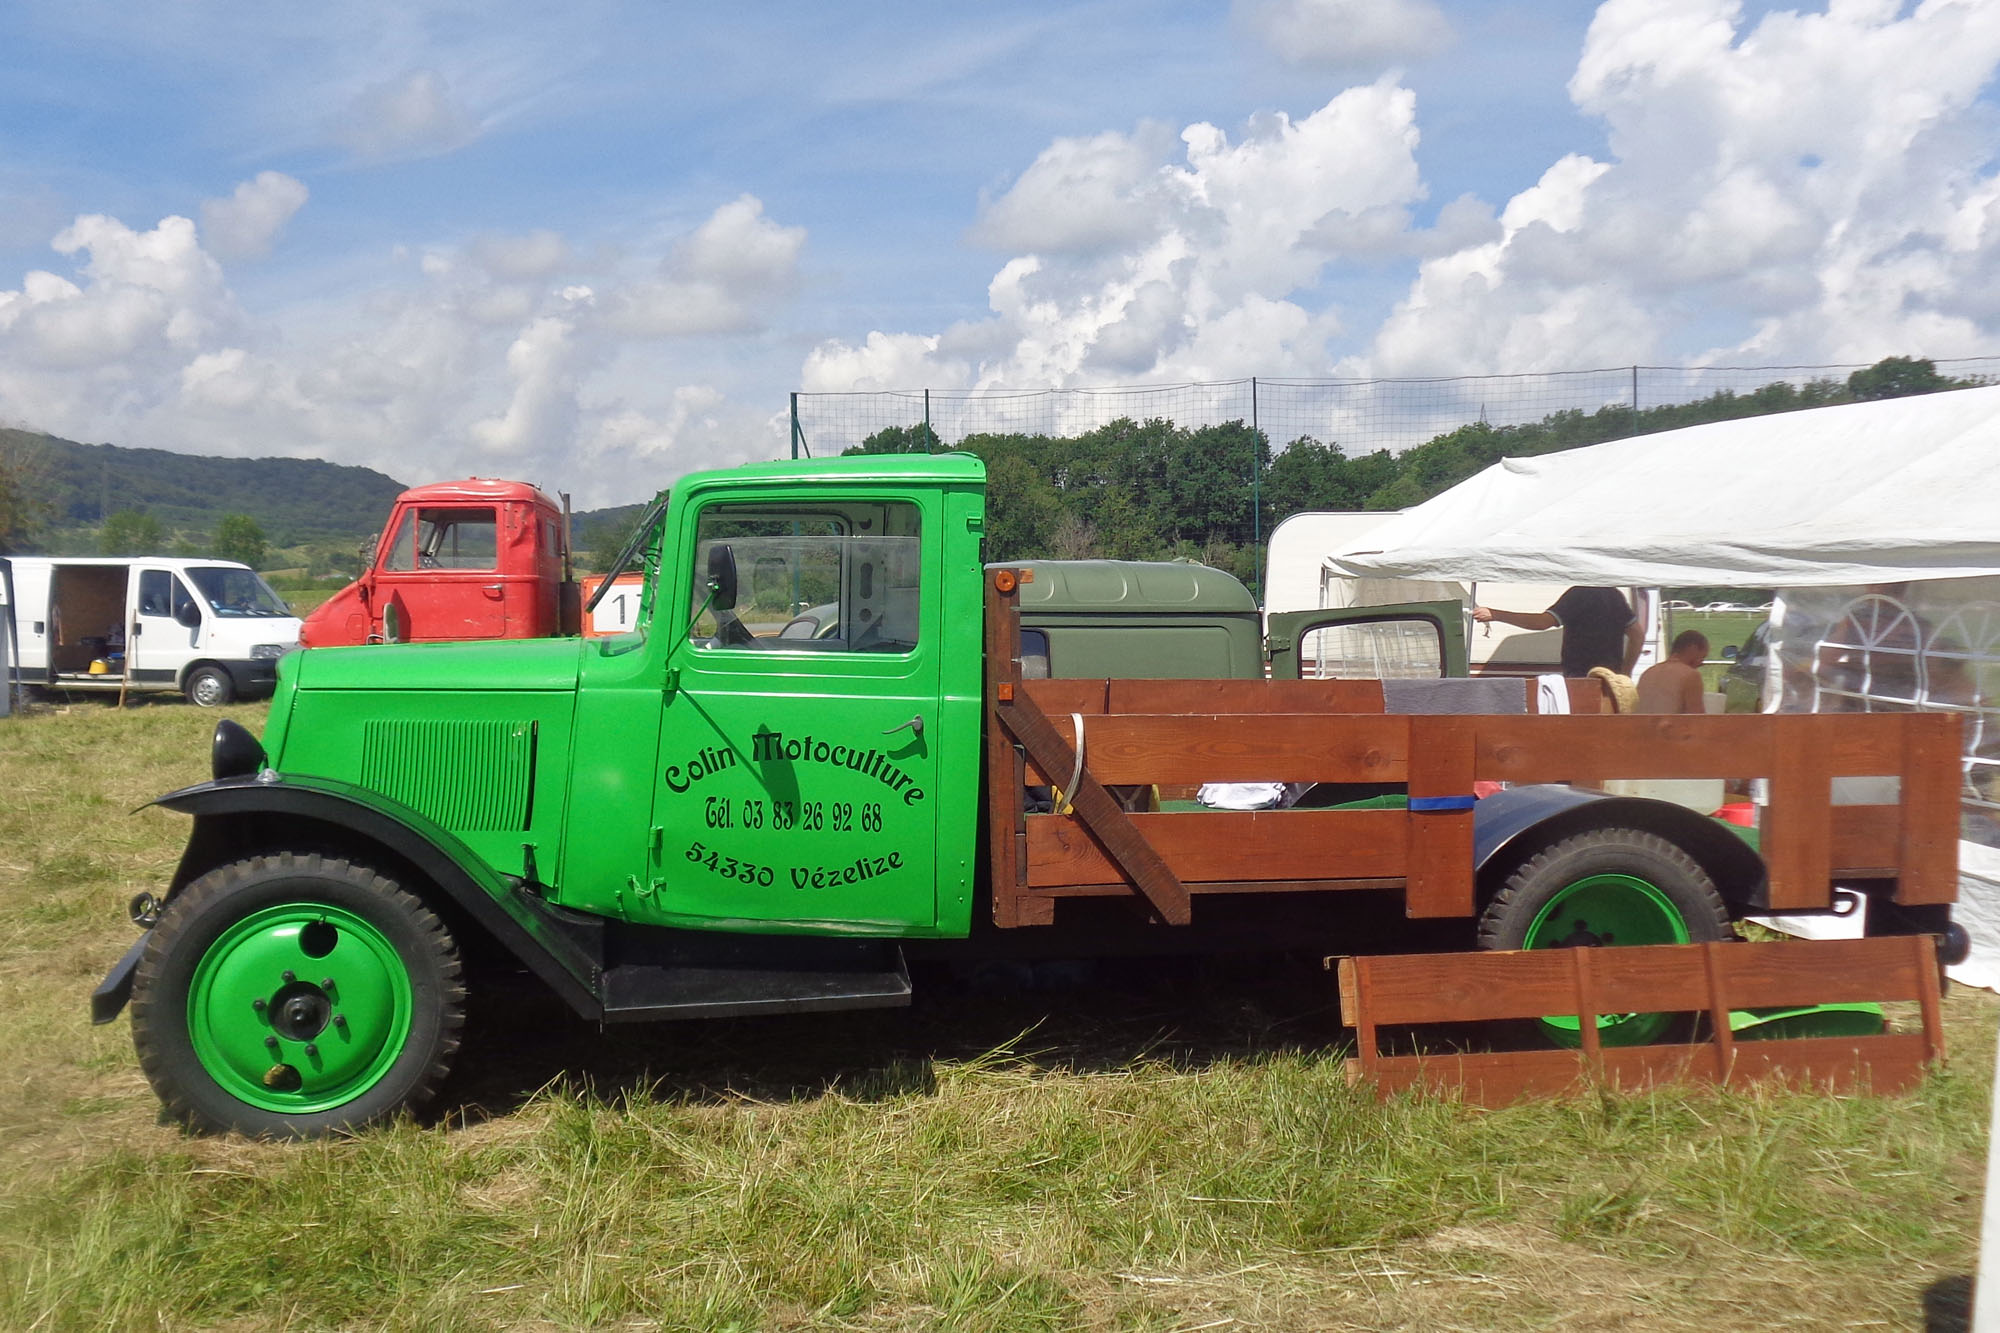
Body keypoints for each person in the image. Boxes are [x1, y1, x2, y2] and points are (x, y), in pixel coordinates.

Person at [1473, 586, 1642, 677]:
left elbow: (1542, 622)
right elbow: (1637, 635)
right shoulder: (1614, 595)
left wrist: (1496, 614)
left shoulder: (1579, 593)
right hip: (1611, 680)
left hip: (1581, 679)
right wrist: (1625, 673)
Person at [1636, 630, 1709, 714]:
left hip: (1640, 726)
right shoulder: (1690, 675)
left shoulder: (1648, 673)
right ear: (1693, 648)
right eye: (1702, 657)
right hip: (1669, 726)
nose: (1701, 663)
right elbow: (1697, 718)